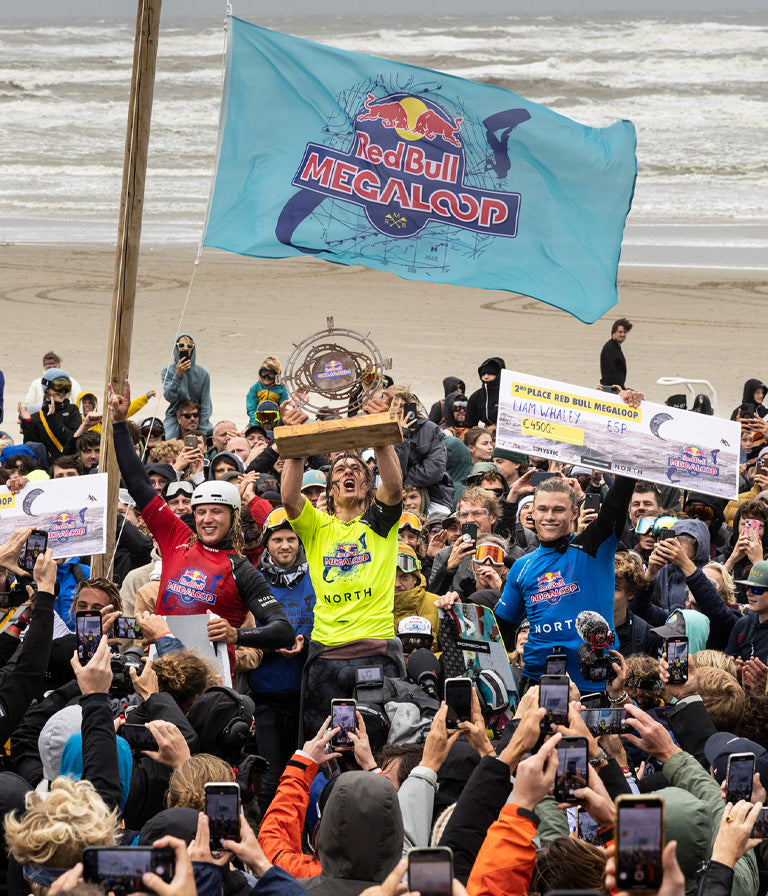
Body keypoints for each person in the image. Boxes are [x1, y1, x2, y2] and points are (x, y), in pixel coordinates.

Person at [108, 380, 294, 671]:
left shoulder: (242, 569)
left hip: (213, 686)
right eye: (201, 512)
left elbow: (282, 630)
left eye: (217, 512)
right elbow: (138, 484)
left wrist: (237, 635)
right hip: (162, 674)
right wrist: (120, 424)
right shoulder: (176, 537)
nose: (207, 519)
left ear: (233, 516)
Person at [493, 389, 642, 691]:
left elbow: (618, 498)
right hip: (537, 685)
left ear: (574, 512)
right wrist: (458, 610)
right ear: (531, 512)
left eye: (559, 509)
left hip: (594, 686)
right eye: (543, 509)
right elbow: (498, 630)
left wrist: (630, 420)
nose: (549, 517)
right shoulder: (522, 567)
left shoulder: (594, 545)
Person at [280, 397, 404, 736]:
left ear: (367, 486)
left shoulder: (379, 522)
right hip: (327, 653)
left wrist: (380, 433)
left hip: (374, 647)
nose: (348, 473)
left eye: (356, 471)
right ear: (331, 490)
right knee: (323, 745)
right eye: (340, 470)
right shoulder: (317, 527)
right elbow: (290, 499)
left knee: (381, 741)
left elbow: (393, 487)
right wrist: (294, 442)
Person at [251, 506, 315, 813]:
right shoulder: (253, 580)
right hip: (265, 694)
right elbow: (243, 629)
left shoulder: (316, 575)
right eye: (278, 539)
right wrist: (269, 643)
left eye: (291, 539)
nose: (285, 545)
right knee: (271, 773)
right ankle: (265, 839)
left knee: (300, 770)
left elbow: (330, 624)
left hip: (304, 693)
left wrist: (307, 643)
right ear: (267, 543)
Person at [19, 369, 82, 466]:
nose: (63, 391)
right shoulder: (37, 417)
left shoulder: (73, 410)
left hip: (72, 465)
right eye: (59, 385)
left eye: (67, 387)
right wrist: (27, 424)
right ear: (47, 388)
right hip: (49, 469)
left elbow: (75, 440)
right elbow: (31, 448)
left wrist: (52, 420)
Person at [161, 334, 212, 438]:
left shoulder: (203, 374)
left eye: (189, 346)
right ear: (176, 348)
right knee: (167, 439)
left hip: (197, 414)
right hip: (175, 414)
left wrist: (202, 431)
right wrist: (178, 375)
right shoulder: (167, 371)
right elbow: (169, 397)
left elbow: (206, 403)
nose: (185, 349)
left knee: (214, 435)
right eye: (181, 345)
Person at [246, 356, 289, 426]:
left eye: (271, 374)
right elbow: (251, 408)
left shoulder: (281, 389)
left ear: (277, 376)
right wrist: (255, 424)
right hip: (257, 421)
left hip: (275, 421)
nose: (266, 377)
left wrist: (278, 425)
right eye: (264, 373)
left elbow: (283, 409)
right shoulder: (255, 388)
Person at [464, 357, 505, 428]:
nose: (486, 377)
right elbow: (470, 424)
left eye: (490, 374)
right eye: (483, 374)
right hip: (487, 430)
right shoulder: (476, 397)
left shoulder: (510, 393)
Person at [599, 317, 632, 389]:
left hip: (617, 387)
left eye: (625, 332)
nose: (623, 334)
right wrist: (618, 390)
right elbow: (610, 372)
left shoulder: (616, 347)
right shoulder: (610, 348)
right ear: (613, 333)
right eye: (620, 332)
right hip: (612, 388)